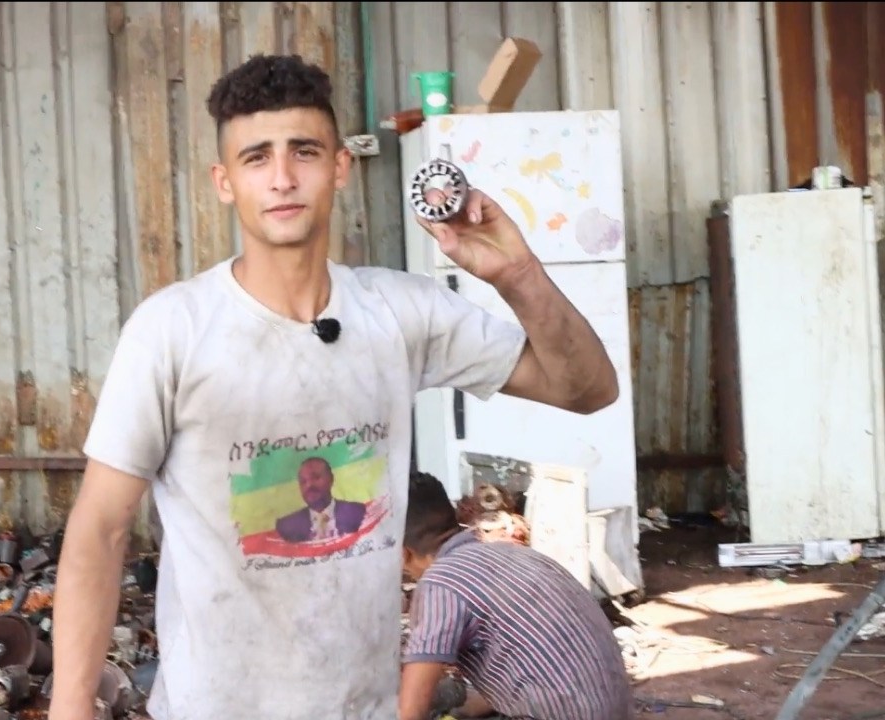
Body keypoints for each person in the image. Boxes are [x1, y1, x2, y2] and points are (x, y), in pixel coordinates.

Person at [49, 52, 620, 720]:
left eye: (305, 151)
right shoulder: (172, 331)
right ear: (224, 181)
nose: (283, 177)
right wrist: (69, 703)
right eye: (257, 157)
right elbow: (100, 530)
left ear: (340, 167)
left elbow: (587, 390)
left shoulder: (401, 313)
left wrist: (518, 273)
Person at [398, 471, 635, 720]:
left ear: (403, 553)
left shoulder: (441, 583)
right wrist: (462, 713)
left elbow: (410, 713)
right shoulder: (516, 555)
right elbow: (527, 670)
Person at [275, 456, 367, 542]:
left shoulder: (359, 513)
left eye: (316, 478)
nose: (309, 485)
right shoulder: (286, 526)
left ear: (331, 479)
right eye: (303, 481)